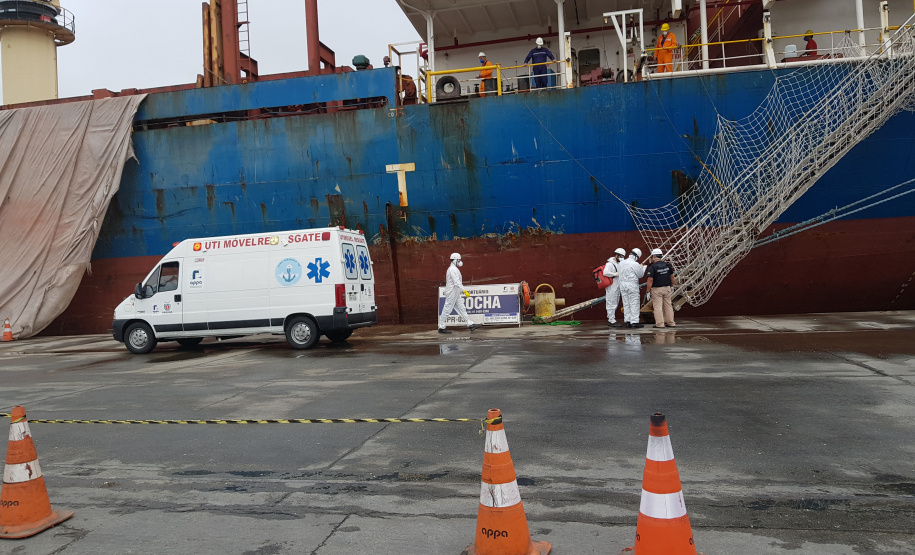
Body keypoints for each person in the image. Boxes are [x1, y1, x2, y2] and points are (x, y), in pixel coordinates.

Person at [438, 253, 479, 334]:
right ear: (455, 260)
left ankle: (470, 324)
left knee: (461, 308)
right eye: (459, 260)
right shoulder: (452, 269)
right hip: (452, 292)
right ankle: (441, 327)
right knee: (447, 309)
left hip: (455, 292)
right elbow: (456, 282)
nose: (460, 262)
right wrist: (464, 290)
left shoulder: (454, 269)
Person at [645, 248, 676, 328]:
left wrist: (648, 291)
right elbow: (672, 277)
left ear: (654, 256)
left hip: (657, 289)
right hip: (667, 288)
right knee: (668, 305)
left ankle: (660, 324)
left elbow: (650, 279)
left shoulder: (653, 267)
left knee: (658, 306)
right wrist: (672, 286)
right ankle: (671, 323)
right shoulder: (667, 265)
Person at [618, 247, 646, 328]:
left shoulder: (622, 263)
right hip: (632, 285)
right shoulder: (635, 264)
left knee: (626, 303)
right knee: (634, 303)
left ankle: (628, 321)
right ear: (637, 256)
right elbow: (640, 275)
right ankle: (634, 322)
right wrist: (642, 268)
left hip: (622, 284)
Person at [603, 247, 626, 327]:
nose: (622, 258)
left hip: (616, 286)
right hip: (611, 286)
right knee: (611, 302)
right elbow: (605, 273)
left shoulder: (618, 263)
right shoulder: (610, 264)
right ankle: (611, 320)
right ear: (616, 255)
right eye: (621, 256)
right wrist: (615, 274)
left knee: (615, 302)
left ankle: (612, 319)